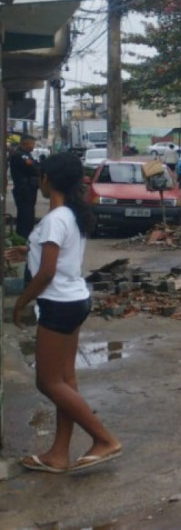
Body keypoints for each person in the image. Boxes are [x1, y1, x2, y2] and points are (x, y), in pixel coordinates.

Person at [6, 152, 122, 473]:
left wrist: (22, 301)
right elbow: (57, 254)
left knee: (47, 382)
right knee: (65, 381)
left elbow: (46, 272)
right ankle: (59, 453)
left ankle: (104, 439)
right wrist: (29, 249)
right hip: (75, 300)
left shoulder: (55, 219)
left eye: (40, 177)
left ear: (46, 179)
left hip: (58, 305)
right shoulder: (70, 214)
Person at [9, 134, 40, 238]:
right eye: (32, 143)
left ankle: (24, 237)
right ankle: (22, 238)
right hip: (24, 190)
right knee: (25, 217)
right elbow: (34, 169)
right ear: (25, 143)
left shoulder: (26, 154)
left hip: (28, 190)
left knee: (28, 216)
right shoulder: (21, 155)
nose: (34, 146)